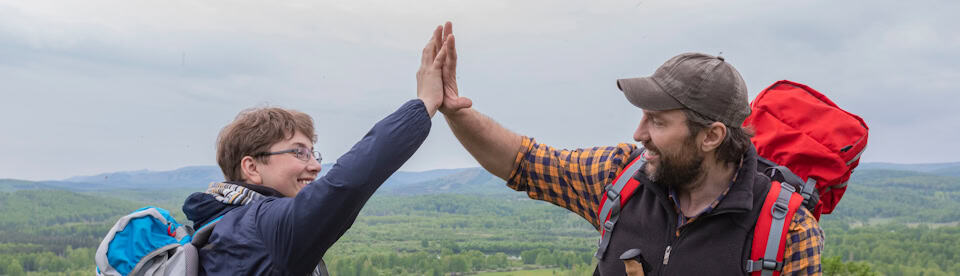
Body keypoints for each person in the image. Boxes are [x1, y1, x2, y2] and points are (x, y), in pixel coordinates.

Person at [435, 22, 824, 275]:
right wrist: (456, 112)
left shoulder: (786, 232)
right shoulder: (622, 175)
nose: (639, 134)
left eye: (657, 121)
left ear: (712, 136)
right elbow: (525, 163)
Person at [180, 24, 451, 275]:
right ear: (252, 167)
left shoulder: (223, 224)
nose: (315, 165)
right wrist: (424, 104)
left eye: (313, 153)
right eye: (299, 152)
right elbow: (347, 183)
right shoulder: (264, 228)